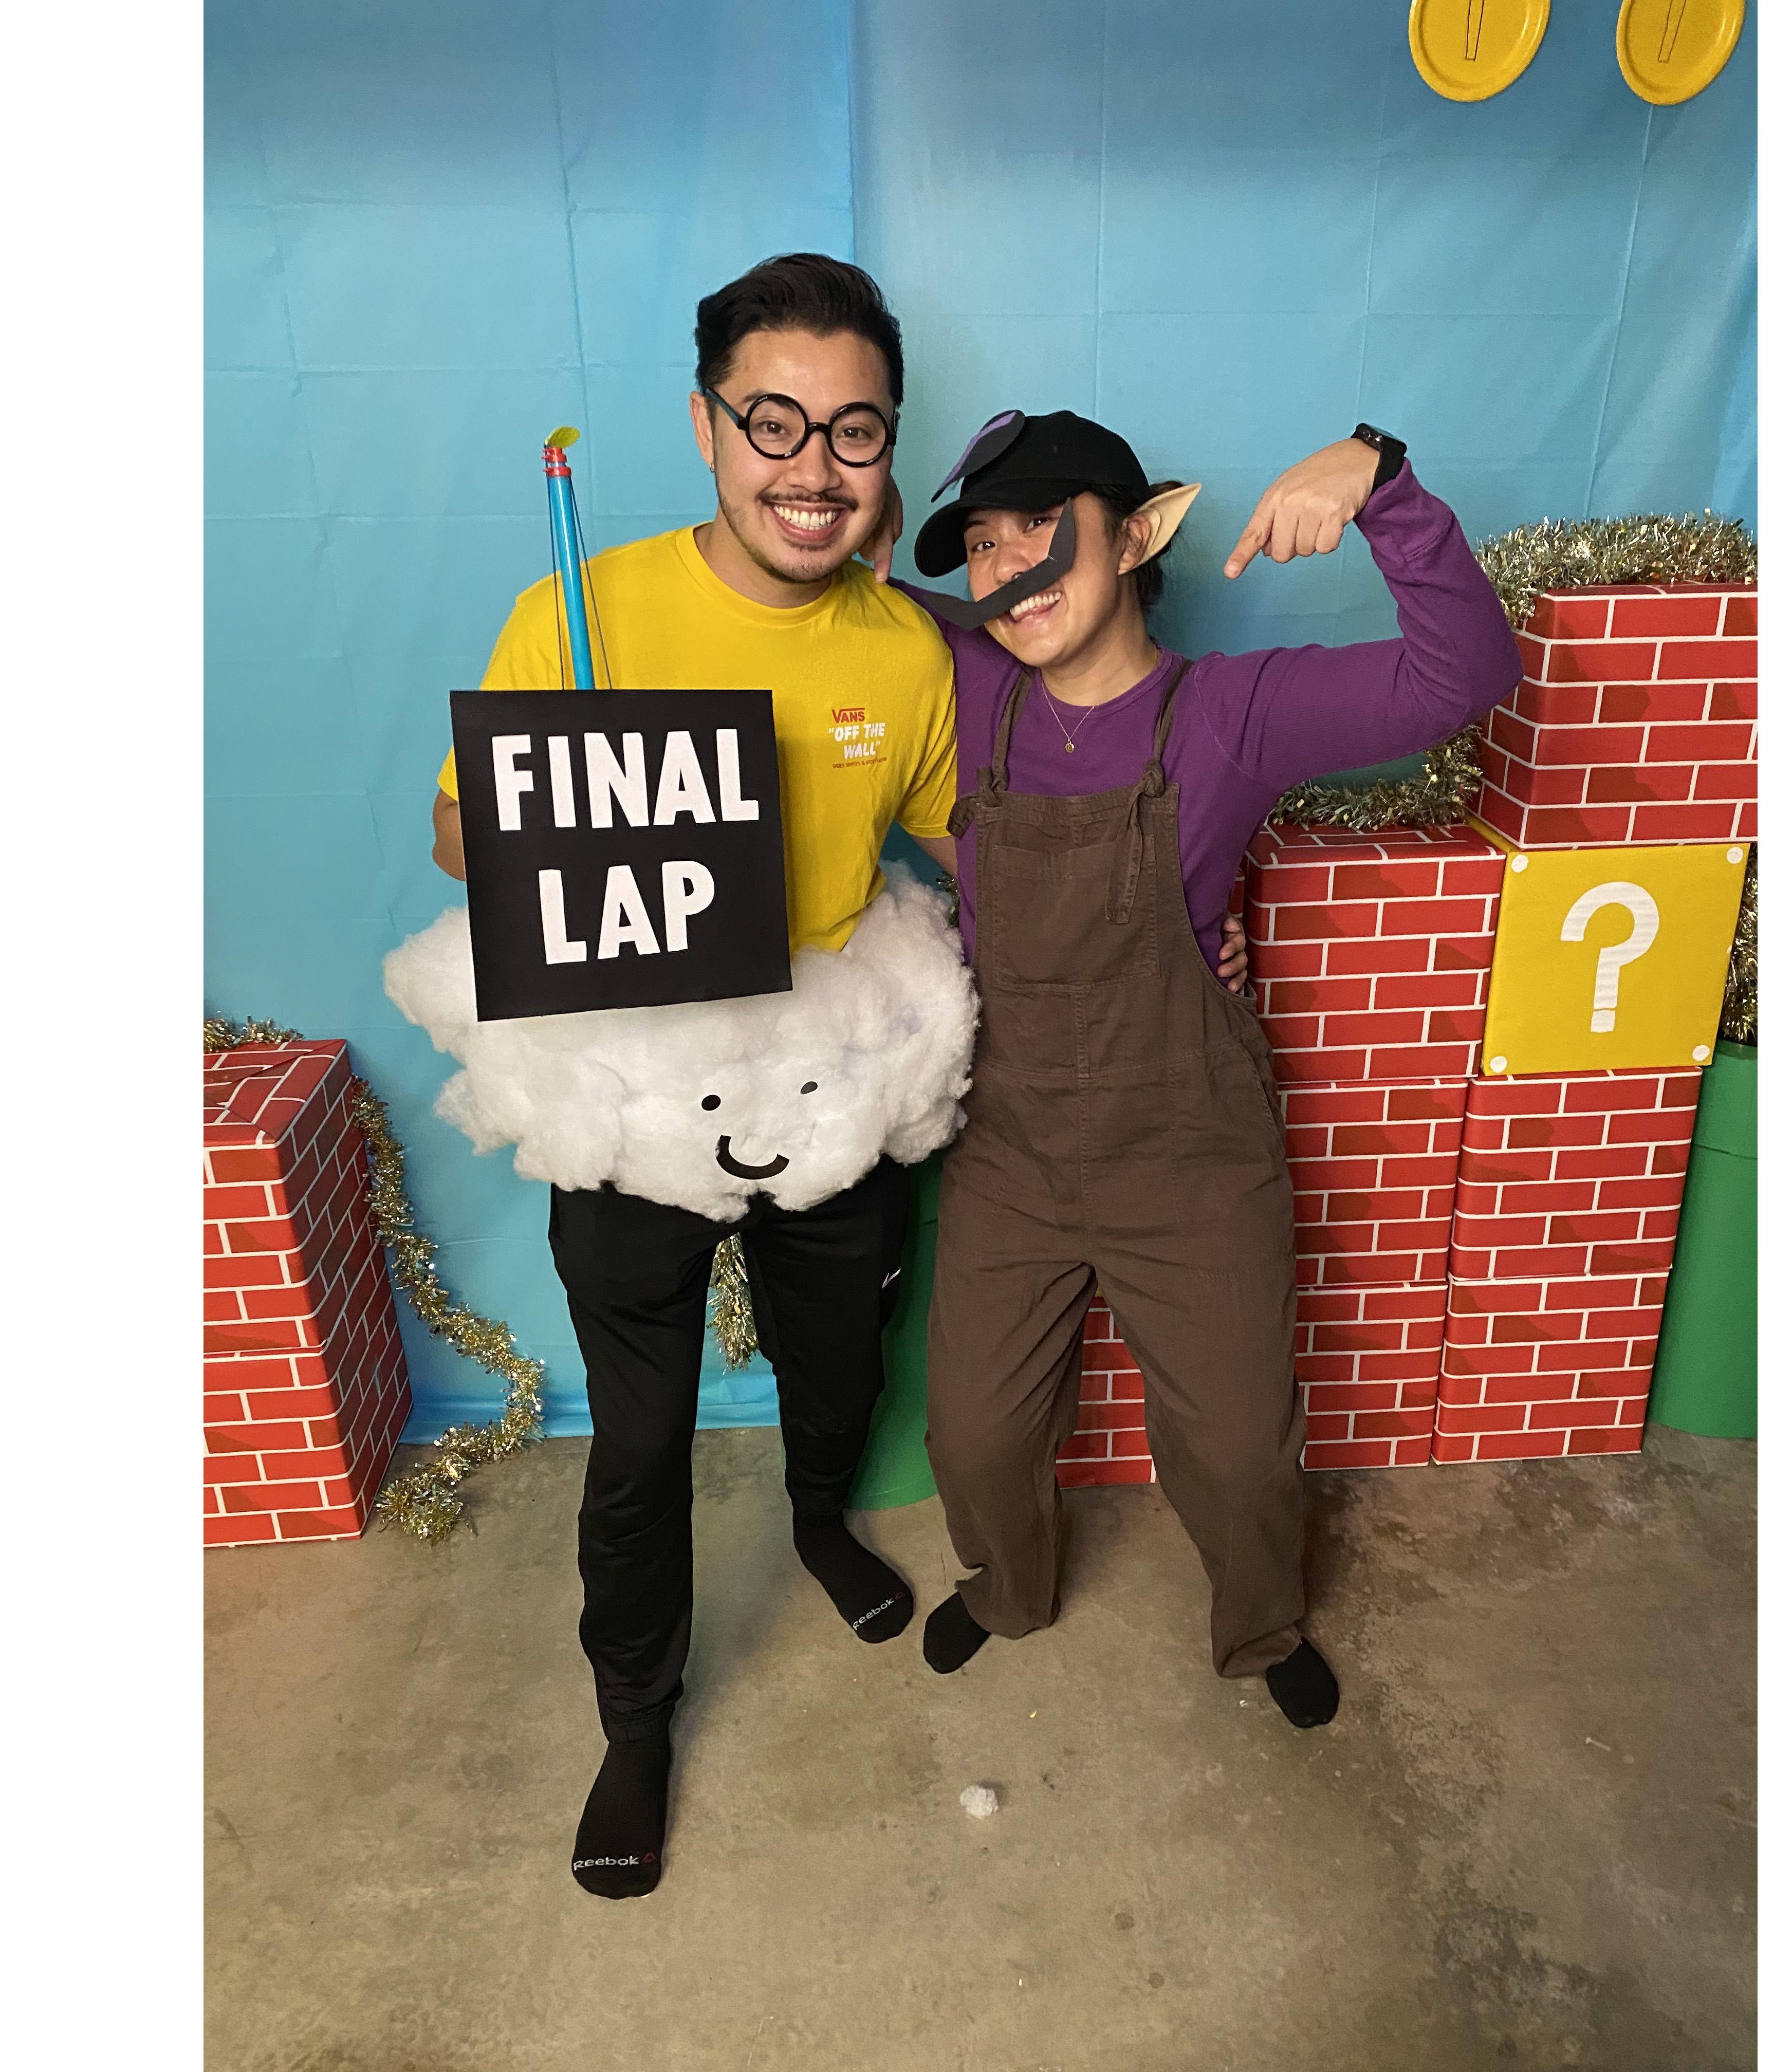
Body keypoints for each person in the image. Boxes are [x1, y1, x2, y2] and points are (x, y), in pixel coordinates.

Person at [417, 254, 1255, 1900]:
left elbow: (979, 847)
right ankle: (635, 1717)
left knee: (841, 1349)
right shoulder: (581, 611)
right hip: (643, 1084)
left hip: (825, 1067)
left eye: (854, 430)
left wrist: (1159, 920)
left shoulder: (907, 651)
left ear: (888, 445)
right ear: (707, 425)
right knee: (637, 1440)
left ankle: (816, 1518)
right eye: (774, 423)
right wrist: (567, 797)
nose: (814, 467)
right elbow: (455, 835)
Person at [894, 408, 1522, 1726]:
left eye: (1039, 530)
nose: (1006, 570)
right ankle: (1007, 1591)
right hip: (1013, 1154)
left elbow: (1462, 676)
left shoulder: (1231, 713)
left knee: (1239, 1455)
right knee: (975, 1435)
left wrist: (1381, 480)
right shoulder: (965, 678)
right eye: (982, 544)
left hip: (1191, 1154)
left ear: (1136, 537)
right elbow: (817, 595)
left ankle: (1263, 1625)